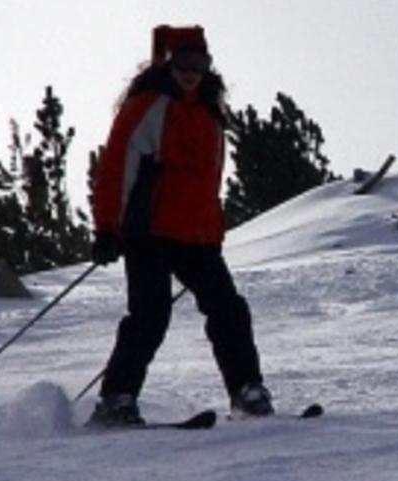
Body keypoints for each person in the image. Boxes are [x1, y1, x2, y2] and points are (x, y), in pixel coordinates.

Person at [88, 25, 273, 426]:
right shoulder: (148, 106)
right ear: (168, 64)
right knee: (150, 315)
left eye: (200, 63)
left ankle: (247, 391)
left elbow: (209, 183)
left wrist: (213, 232)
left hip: (196, 236)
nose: (192, 71)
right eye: (184, 62)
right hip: (149, 230)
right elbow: (117, 167)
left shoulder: (209, 115)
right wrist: (107, 227)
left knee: (228, 310)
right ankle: (116, 399)